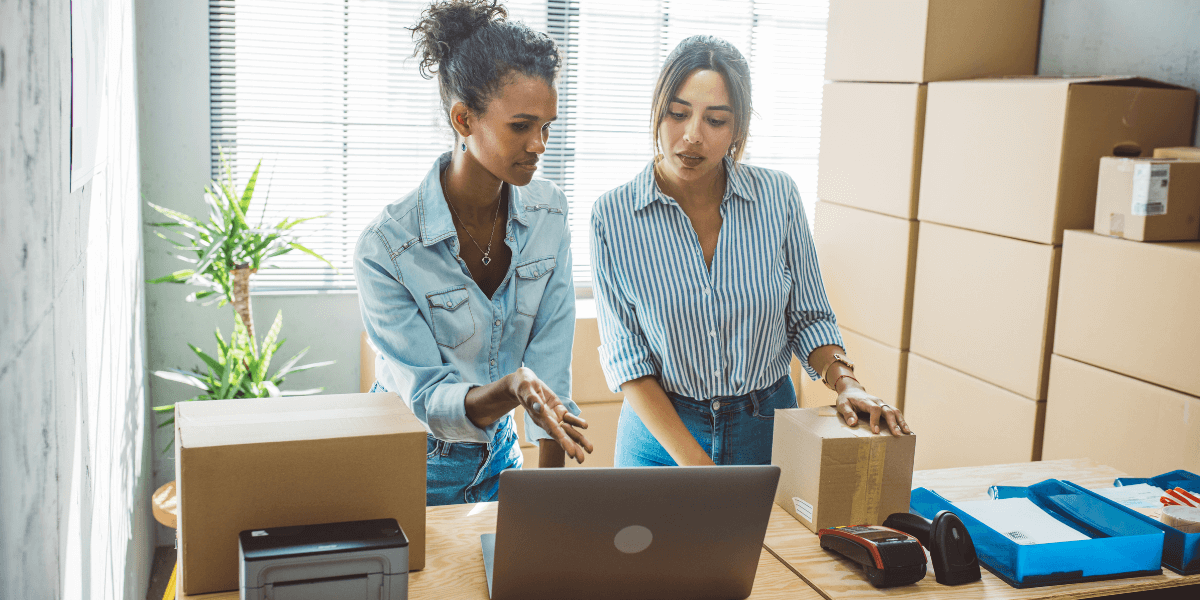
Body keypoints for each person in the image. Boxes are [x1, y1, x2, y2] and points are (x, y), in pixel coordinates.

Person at [590, 35, 911, 468]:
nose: (692, 136)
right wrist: (699, 466)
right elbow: (628, 360)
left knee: (769, 540)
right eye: (678, 114)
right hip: (661, 437)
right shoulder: (612, 216)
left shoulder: (777, 196)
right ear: (657, 110)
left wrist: (846, 382)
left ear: (738, 127)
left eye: (715, 120)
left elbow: (809, 315)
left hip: (765, 426)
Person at [356, 0, 592, 506]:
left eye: (547, 125)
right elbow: (426, 398)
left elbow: (550, 374)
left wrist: (548, 506)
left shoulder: (549, 215)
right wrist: (511, 390)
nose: (540, 144)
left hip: (502, 459)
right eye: (521, 126)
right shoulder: (387, 247)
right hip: (410, 461)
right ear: (464, 119)